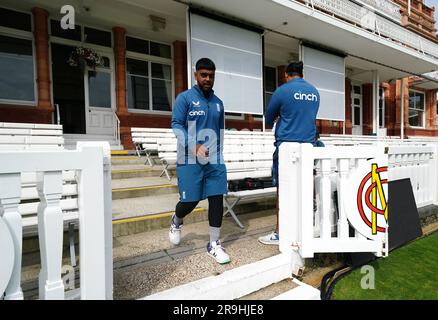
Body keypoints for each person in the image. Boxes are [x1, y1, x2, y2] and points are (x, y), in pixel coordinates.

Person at [169, 57, 230, 264]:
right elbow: (176, 124)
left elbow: (220, 132)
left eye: (211, 76)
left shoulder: (219, 103)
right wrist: (193, 145)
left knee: (216, 198)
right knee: (190, 201)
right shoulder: (184, 98)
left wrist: (219, 155)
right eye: (203, 75)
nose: (207, 79)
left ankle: (214, 244)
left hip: (214, 159)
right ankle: (177, 220)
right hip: (189, 159)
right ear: (196, 75)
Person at [258, 61, 320, 245]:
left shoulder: (282, 91)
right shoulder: (314, 92)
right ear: (302, 73)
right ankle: (306, 228)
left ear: (286, 75)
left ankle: (279, 232)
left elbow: (268, 119)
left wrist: (281, 115)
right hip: (309, 147)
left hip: (286, 147)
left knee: (282, 189)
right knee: (306, 188)